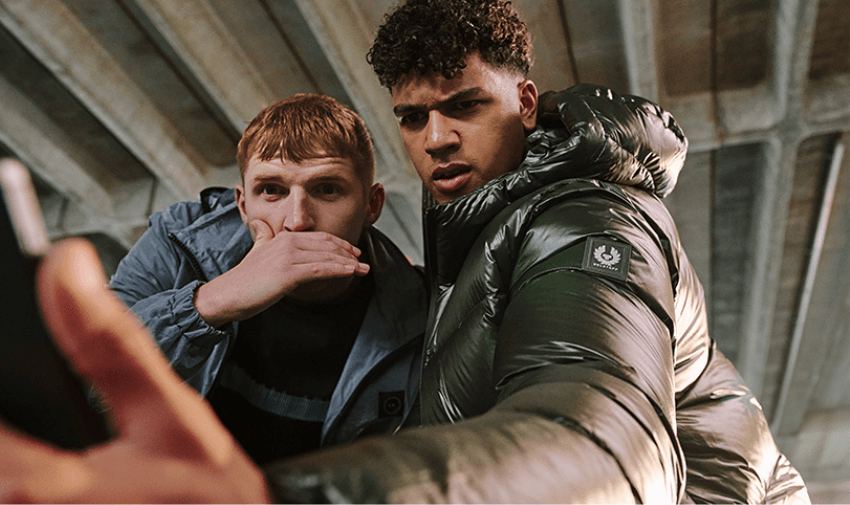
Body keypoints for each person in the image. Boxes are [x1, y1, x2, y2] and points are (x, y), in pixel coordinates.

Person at [0, 1, 810, 503]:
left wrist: (287, 498)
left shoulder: (588, 219)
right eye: (414, 118)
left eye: (465, 106)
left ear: (525, 101)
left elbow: (603, 438)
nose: (439, 138)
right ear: (241, 199)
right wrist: (213, 301)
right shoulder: (464, 238)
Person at [108, 93, 428, 464]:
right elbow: (87, 381)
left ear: (372, 205)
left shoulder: (422, 310)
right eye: (272, 191)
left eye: (327, 189)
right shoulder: (180, 239)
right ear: (243, 205)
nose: (297, 221)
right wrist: (210, 303)